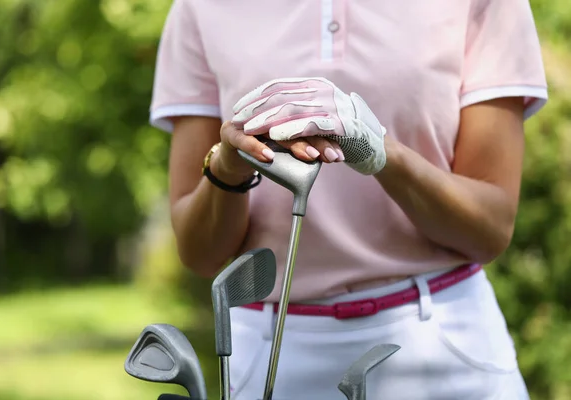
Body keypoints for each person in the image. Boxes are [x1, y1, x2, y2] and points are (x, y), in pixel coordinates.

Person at [149, 0, 548, 398]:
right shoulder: (198, 8)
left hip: (444, 345)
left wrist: (382, 153)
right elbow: (200, 253)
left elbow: (490, 230)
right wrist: (227, 168)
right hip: (271, 353)